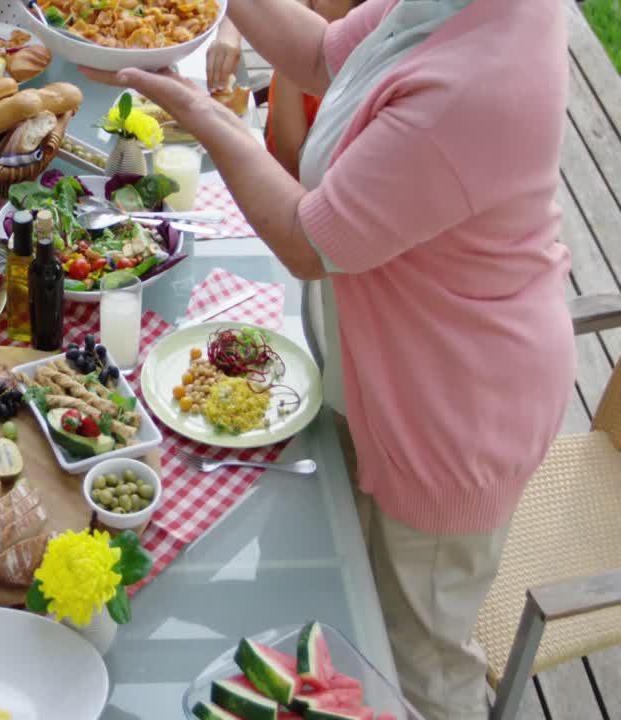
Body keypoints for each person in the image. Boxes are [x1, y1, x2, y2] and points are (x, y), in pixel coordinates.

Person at [81, 0, 575, 716]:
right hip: (392, 374)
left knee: (422, 661)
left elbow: (309, 242)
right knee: (350, 599)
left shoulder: (482, 77)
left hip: (451, 415)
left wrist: (208, 115)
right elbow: (322, 53)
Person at [208, 0, 365, 179]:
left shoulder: (342, 82)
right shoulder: (319, 18)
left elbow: (289, 165)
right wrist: (229, 33)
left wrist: (294, 51)